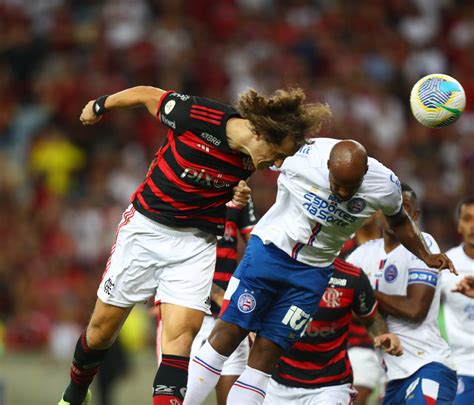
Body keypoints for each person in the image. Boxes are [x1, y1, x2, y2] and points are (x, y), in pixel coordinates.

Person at [58, 86, 331, 405]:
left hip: (196, 242)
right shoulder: (197, 115)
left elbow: (222, 186)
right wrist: (101, 105)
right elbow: (147, 95)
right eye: (277, 153)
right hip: (146, 229)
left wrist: (235, 197)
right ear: (259, 132)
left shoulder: (253, 160)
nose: (277, 162)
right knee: (101, 332)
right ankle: (75, 392)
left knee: (181, 338)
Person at [185, 138, 455, 405]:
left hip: (312, 273)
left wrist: (425, 254)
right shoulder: (303, 156)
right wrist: (235, 187)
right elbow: (256, 148)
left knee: (265, 356)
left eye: (351, 187)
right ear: (327, 165)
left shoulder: (384, 184)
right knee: (226, 336)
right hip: (270, 253)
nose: (343, 193)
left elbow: (399, 219)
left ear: (365, 173)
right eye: (337, 184)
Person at [347, 183, 458, 404]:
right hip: (392, 379)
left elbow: (415, 309)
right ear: (379, 210)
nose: (395, 214)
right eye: (390, 207)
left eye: (404, 207)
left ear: (414, 215)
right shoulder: (362, 254)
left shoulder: (424, 245)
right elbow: (339, 298)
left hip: (427, 366)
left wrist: (364, 292)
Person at [263, 256, 402, 404]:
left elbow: (371, 319)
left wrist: (382, 335)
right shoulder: (281, 269)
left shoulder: (352, 277)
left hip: (331, 386)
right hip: (279, 384)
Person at [439, 197, 474, 404]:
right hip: (461, 367)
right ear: (459, 225)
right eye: (468, 219)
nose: (473, 226)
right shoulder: (446, 266)